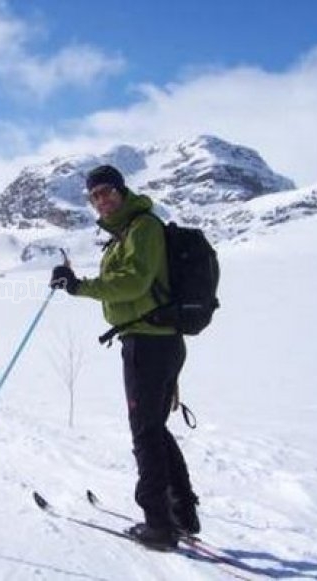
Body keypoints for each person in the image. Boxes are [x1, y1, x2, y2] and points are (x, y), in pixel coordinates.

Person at [49, 164, 200, 551]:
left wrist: (79, 286)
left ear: (121, 190)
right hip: (152, 341)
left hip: (149, 344)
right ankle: (181, 511)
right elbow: (130, 280)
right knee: (155, 428)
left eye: (107, 191)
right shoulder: (125, 232)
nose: (102, 200)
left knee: (145, 432)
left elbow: (134, 281)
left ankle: (159, 525)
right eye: (95, 195)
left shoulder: (143, 227)